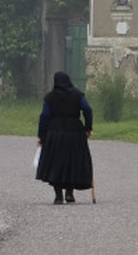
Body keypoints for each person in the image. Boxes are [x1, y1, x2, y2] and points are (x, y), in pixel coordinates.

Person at [36, 71, 93, 204]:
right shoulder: (78, 94)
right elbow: (87, 109)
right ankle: (69, 193)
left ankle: (58, 196)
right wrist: (88, 127)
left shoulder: (50, 97)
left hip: (54, 133)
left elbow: (44, 116)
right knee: (72, 162)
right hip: (75, 132)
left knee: (56, 163)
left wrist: (41, 135)